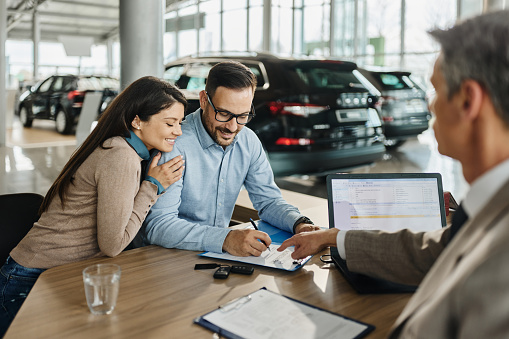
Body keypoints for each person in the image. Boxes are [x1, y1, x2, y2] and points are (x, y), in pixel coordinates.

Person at [278, 10, 509, 338]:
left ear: (468, 100)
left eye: (436, 91)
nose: (430, 106)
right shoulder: (490, 206)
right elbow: (432, 251)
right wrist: (333, 236)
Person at [0, 76, 187, 335]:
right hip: (31, 279)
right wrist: (152, 186)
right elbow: (112, 245)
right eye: (170, 123)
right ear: (137, 121)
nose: (178, 131)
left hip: (58, 275)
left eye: (180, 122)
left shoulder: (123, 149)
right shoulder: (121, 156)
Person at [137, 61, 319, 257]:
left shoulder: (248, 141)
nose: (232, 127)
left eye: (243, 116)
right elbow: (159, 226)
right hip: (169, 259)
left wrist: (300, 223)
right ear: (204, 100)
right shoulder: (175, 144)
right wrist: (225, 239)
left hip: (219, 257)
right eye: (224, 113)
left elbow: (269, 202)